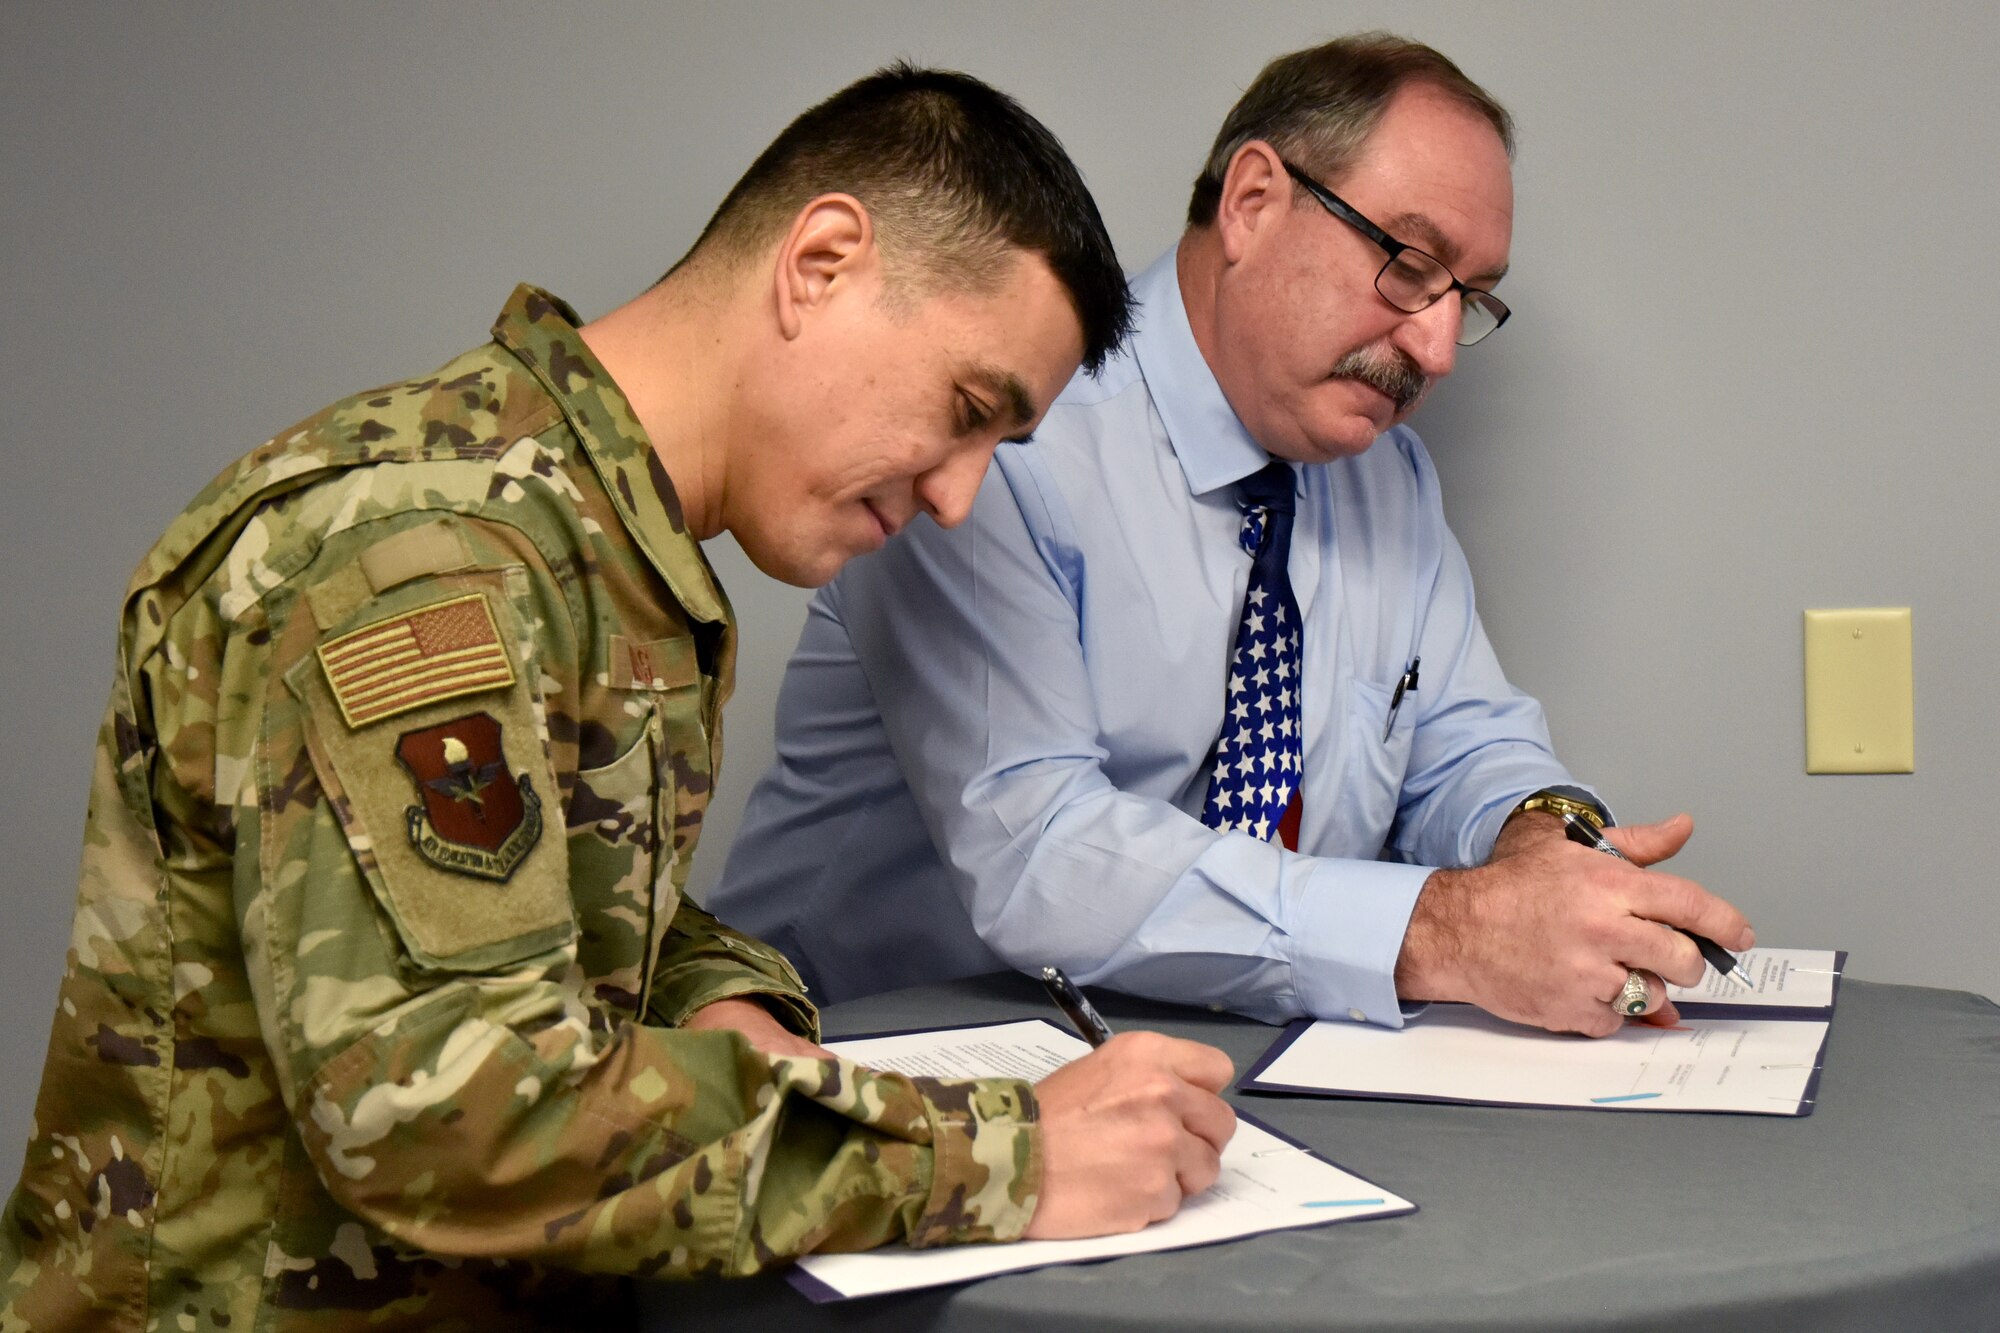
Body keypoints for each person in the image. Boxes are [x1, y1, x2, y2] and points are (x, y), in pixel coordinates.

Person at [0, 65, 1238, 1332]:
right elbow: (449, 1112)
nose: (957, 496)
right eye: (965, 411)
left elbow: (542, 904)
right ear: (820, 264)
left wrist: (719, 995)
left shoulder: (590, 540)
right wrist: (996, 1156)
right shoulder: (432, 561)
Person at [710, 34, 1756, 1042]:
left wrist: (1539, 844)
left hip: (1241, 1078)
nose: (1435, 347)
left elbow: (1466, 742)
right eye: (1407, 264)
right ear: (1252, 201)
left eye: (1467, 299)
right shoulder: (996, 434)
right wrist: (1449, 931)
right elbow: (1039, 852)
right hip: (881, 1061)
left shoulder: (1386, 479)